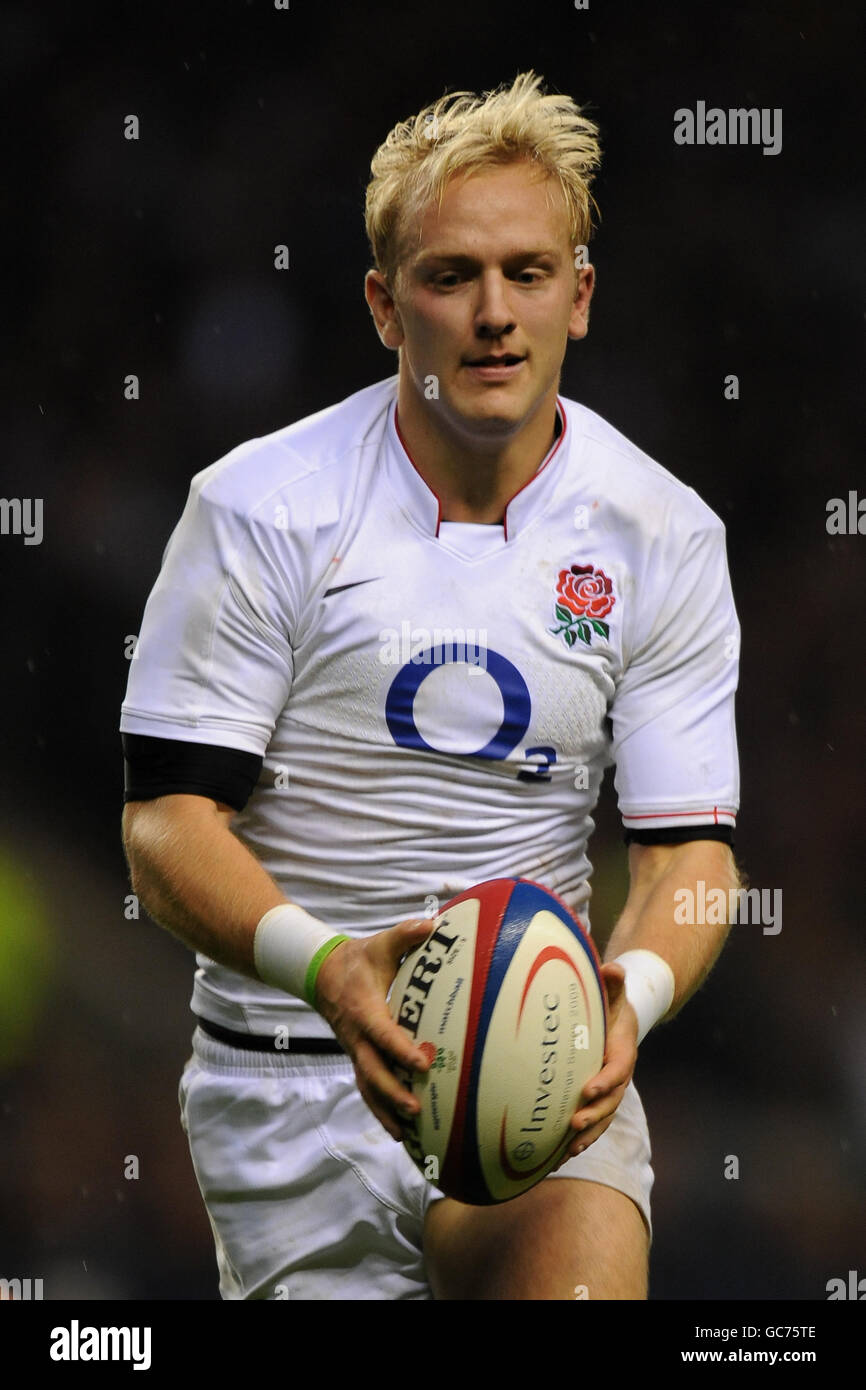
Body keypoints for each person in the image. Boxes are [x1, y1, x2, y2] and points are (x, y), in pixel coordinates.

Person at [120, 71, 741, 1300]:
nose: (493, 314)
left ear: (580, 293)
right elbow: (165, 828)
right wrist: (332, 966)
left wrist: (632, 994)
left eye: (525, 272)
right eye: (450, 276)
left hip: (535, 1064)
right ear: (384, 307)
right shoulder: (259, 508)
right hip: (290, 1079)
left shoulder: (659, 532)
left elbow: (690, 863)